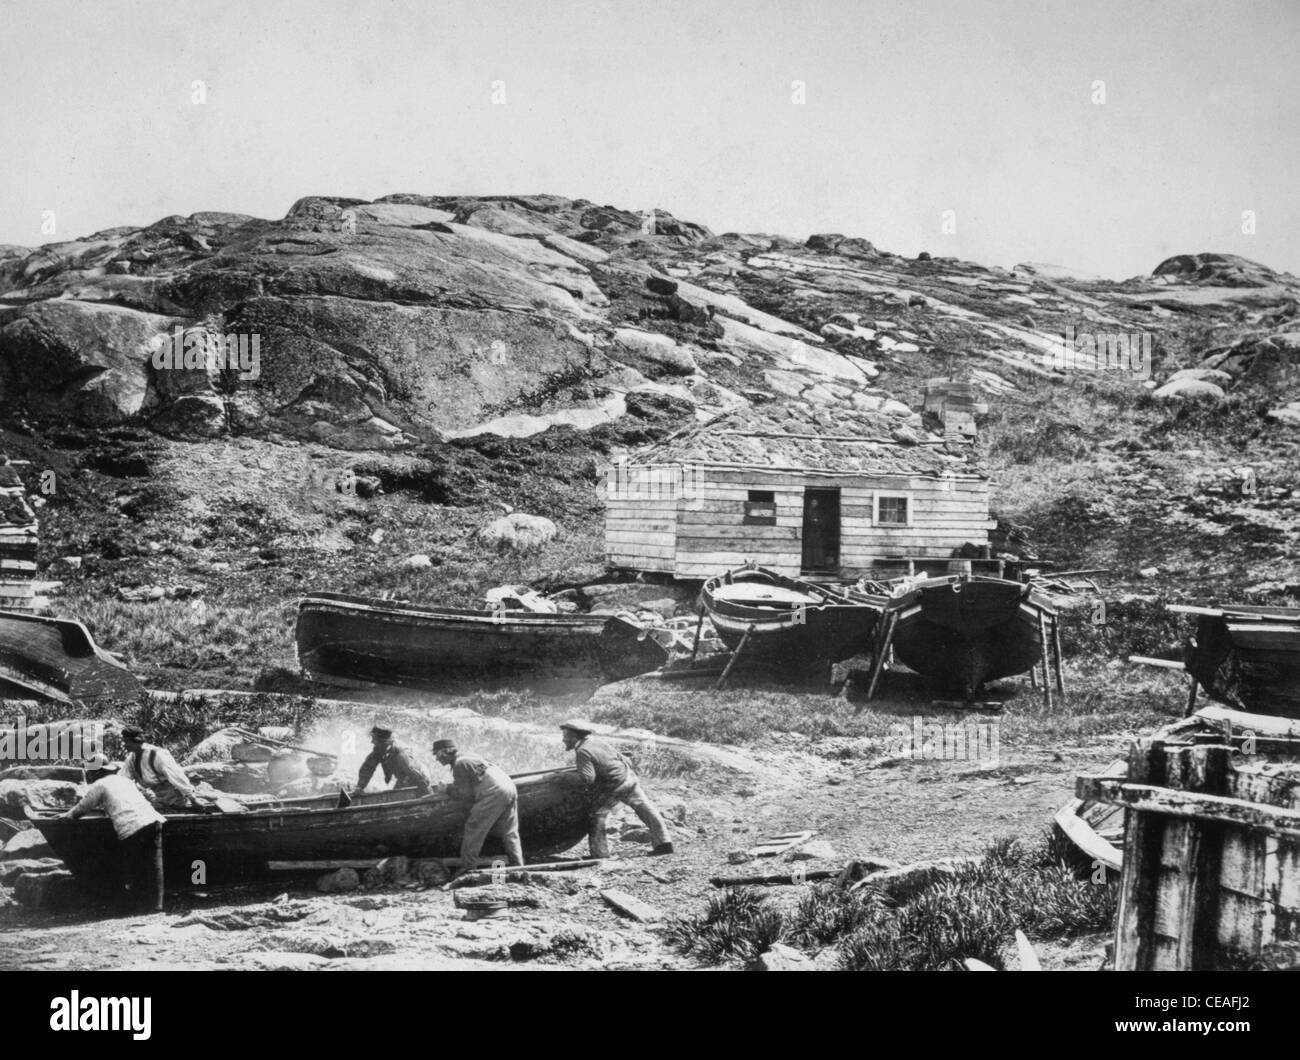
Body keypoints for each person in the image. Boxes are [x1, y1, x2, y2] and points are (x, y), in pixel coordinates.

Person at [61, 755, 165, 913]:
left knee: (135, 865)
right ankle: (157, 905)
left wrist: (66, 816)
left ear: (95, 773)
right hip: (153, 820)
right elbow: (147, 797)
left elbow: (81, 809)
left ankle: (137, 905)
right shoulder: (125, 781)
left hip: (132, 825)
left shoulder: (99, 785)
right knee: (154, 865)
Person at [560, 719, 673, 857]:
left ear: (575, 737)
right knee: (645, 808)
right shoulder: (597, 741)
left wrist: (565, 777)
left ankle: (599, 854)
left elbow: (588, 778)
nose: (563, 740)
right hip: (629, 778)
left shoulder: (582, 751)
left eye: (565, 736)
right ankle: (664, 844)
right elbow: (624, 759)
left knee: (596, 815)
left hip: (615, 787)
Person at [432, 739, 523, 875]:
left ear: (444, 752)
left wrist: (446, 790)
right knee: (509, 831)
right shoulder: (469, 756)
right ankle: (518, 867)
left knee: (473, 827)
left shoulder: (459, 764)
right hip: (509, 787)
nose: (436, 759)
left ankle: (468, 868)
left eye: (436, 755)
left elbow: (465, 795)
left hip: (494, 793)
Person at [121, 727, 202, 811]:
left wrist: (193, 799)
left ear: (136, 741)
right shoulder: (131, 758)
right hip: (155, 794)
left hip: (172, 795)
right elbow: (123, 778)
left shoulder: (158, 755)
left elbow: (177, 776)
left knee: (175, 815)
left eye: (126, 742)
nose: (124, 745)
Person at [356, 725, 433, 796]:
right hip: (404, 777)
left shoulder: (401, 754)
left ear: (383, 741)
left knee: (407, 795)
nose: (372, 742)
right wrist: (360, 787)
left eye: (374, 739)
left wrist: (429, 796)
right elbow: (368, 767)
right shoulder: (379, 749)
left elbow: (417, 775)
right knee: (395, 795)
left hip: (418, 775)